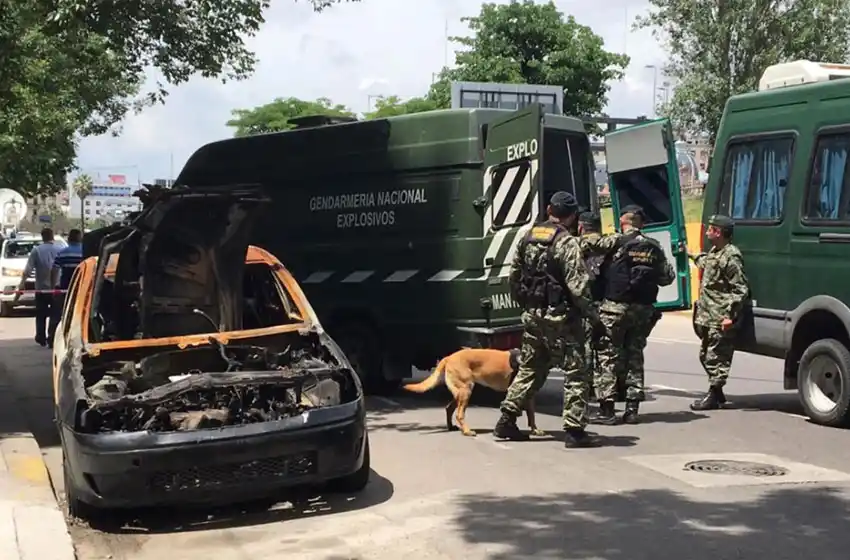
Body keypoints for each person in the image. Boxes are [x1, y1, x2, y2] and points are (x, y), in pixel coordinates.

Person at [500, 191, 602, 448]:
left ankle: (507, 419)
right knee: (578, 371)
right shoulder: (566, 242)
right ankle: (574, 431)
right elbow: (578, 287)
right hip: (562, 319)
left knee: (531, 367)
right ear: (572, 216)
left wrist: (528, 305)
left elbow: (513, 277)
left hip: (534, 316)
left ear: (549, 210)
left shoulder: (528, 236)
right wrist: (594, 317)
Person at [584, 205, 675, 425]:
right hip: (642, 310)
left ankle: (607, 410)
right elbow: (667, 278)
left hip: (615, 308)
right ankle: (632, 410)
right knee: (635, 356)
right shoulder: (654, 246)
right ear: (641, 223)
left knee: (607, 356)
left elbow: (588, 247)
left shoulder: (614, 241)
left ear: (623, 222)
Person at [688, 214, 750, 411]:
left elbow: (740, 289)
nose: (707, 232)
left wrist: (729, 316)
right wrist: (689, 253)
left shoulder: (731, 256)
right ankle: (718, 392)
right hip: (707, 315)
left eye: (711, 229)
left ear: (719, 232)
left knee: (717, 357)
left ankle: (713, 395)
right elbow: (705, 263)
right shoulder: (715, 252)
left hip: (720, 316)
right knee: (705, 356)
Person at [14, 227, 62, 347]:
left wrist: (21, 286)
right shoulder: (60, 249)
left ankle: (41, 337)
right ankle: (52, 337)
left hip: (41, 288)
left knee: (41, 314)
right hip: (57, 288)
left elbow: (28, 271)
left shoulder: (37, 251)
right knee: (56, 314)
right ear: (53, 237)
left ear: (42, 237)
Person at [577, 211, 605, 392]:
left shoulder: (574, 245)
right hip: (607, 304)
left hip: (585, 305)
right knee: (605, 349)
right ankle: (608, 387)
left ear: (581, 227)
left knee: (585, 347)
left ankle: (587, 386)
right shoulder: (609, 244)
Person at [51, 228, 83, 308]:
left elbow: (54, 270)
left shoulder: (62, 253)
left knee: (66, 307)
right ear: (80, 239)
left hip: (66, 285)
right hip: (82, 285)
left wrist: (53, 287)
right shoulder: (85, 252)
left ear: (68, 239)